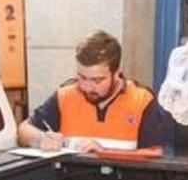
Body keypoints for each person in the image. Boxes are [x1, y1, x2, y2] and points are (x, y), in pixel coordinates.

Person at [17, 31, 173, 155]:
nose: (86, 87)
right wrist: (40, 139)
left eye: (97, 80)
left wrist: (105, 153)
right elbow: (24, 129)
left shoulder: (141, 99)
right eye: (82, 77)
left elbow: (155, 153)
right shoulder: (65, 95)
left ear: (117, 72)